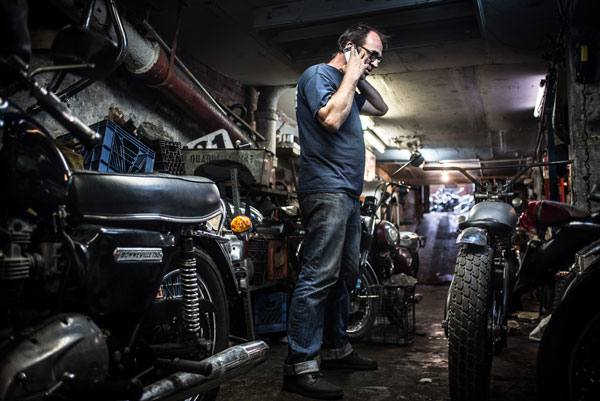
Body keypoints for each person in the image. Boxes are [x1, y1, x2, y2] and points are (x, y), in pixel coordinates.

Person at [283, 24, 389, 399]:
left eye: (378, 57)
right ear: (349, 47)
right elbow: (330, 119)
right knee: (318, 275)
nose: (375, 62)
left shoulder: (348, 81)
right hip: (325, 190)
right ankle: (300, 366)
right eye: (370, 54)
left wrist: (357, 75)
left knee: (345, 274)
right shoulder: (317, 75)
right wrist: (349, 74)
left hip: (347, 193)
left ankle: (336, 348)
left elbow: (381, 106)